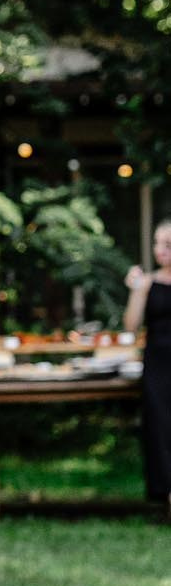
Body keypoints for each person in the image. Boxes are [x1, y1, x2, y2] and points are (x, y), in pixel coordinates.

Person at [124, 220, 171, 514]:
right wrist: (137, 291)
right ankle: (166, 494)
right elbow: (130, 326)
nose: (160, 250)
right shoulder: (147, 283)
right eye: (157, 243)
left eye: (168, 245)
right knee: (161, 428)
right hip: (158, 363)